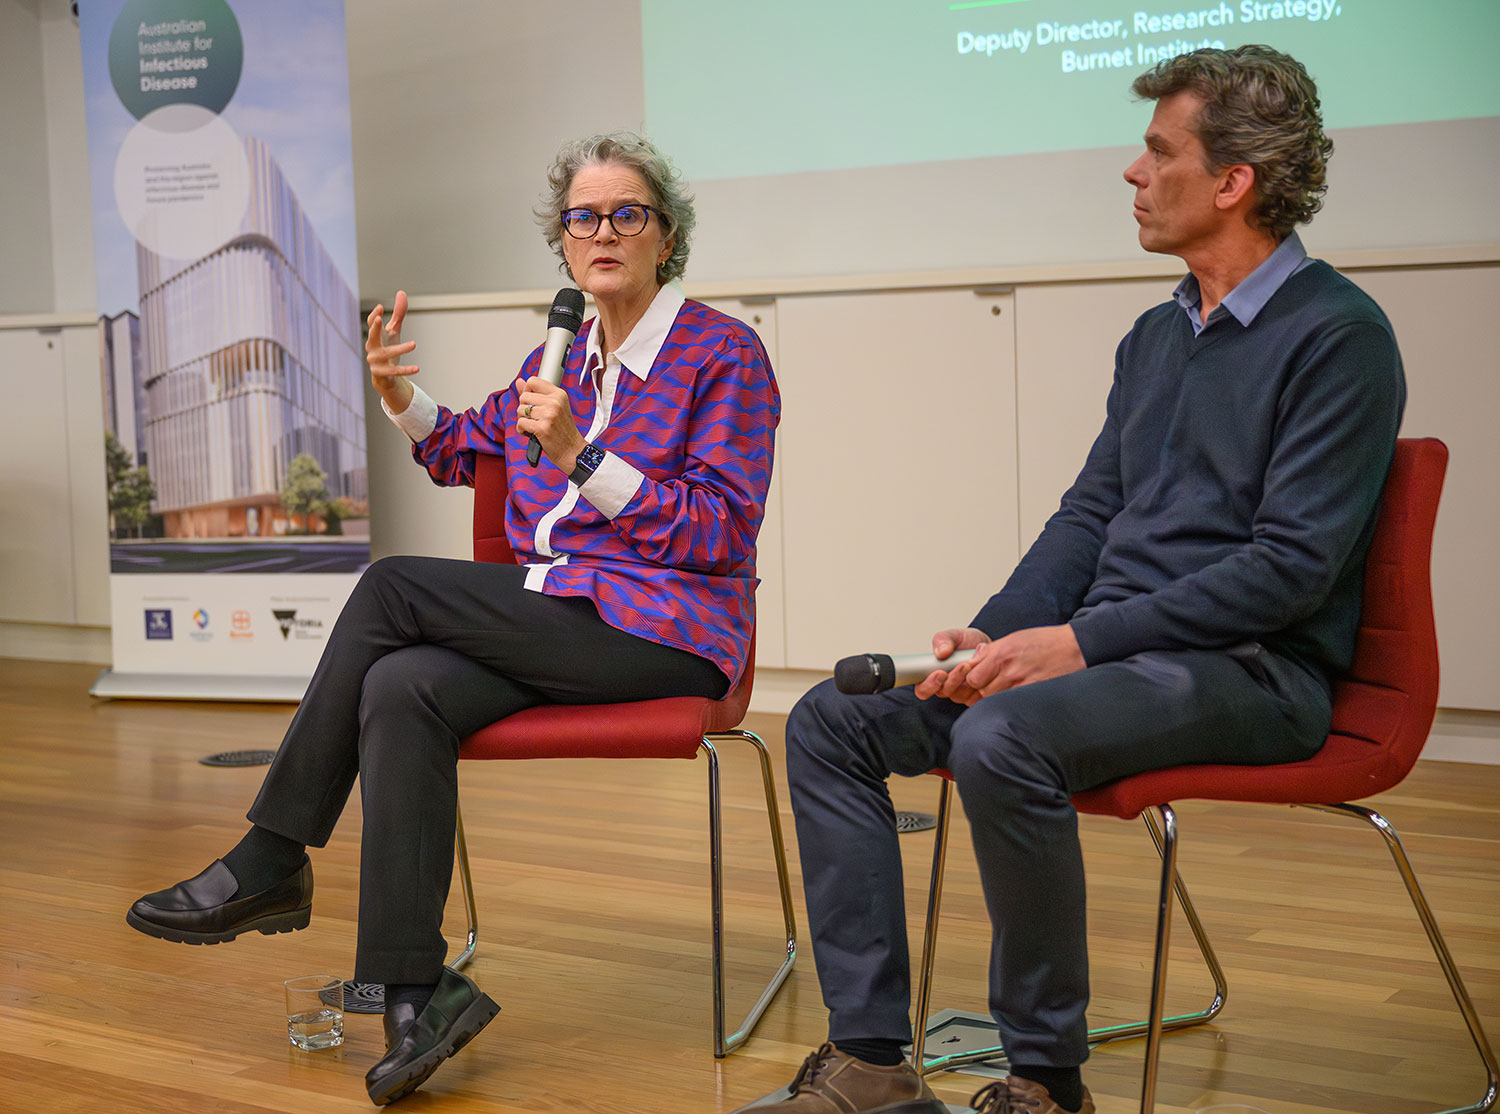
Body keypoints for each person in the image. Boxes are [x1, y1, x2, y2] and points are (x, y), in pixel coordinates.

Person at [755, 46, 1404, 1114]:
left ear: (1235, 181)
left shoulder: (1340, 337)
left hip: (1252, 670)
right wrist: (994, 635)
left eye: (1159, 151)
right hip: (1113, 655)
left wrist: (1078, 645)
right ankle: (870, 1061)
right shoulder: (1156, 335)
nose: (1132, 173)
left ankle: (1048, 1080)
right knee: (833, 719)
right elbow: (1090, 517)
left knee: (1001, 737)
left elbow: (1290, 569)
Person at [126, 131, 780, 1106]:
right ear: (563, 243)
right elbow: (466, 445)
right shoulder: (557, 357)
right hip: (556, 612)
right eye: (582, 216)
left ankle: (273, 853)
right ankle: (412, 992)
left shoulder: (722, 355)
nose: (603, 231)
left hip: (667, 627)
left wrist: (582, 461)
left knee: (392, 586)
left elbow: (721, 525)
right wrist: (401, 396)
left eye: (626, 213)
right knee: (401, 683)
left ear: (665, 236)